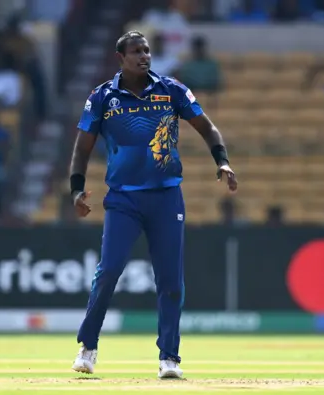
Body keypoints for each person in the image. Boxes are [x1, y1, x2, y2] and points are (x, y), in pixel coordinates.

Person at [70, 30, 237, 379]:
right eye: (136, 51)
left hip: (165, 197)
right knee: (109, 271)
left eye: (147, 50)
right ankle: (88, 348)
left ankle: (169, 359)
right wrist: (76, 190)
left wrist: (221, 160)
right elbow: (82, 148)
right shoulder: (103, 97)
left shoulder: (171, 90)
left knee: (170, 281)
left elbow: (208, 128)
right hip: (123, 199)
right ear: (121, 57)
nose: (144, 56)